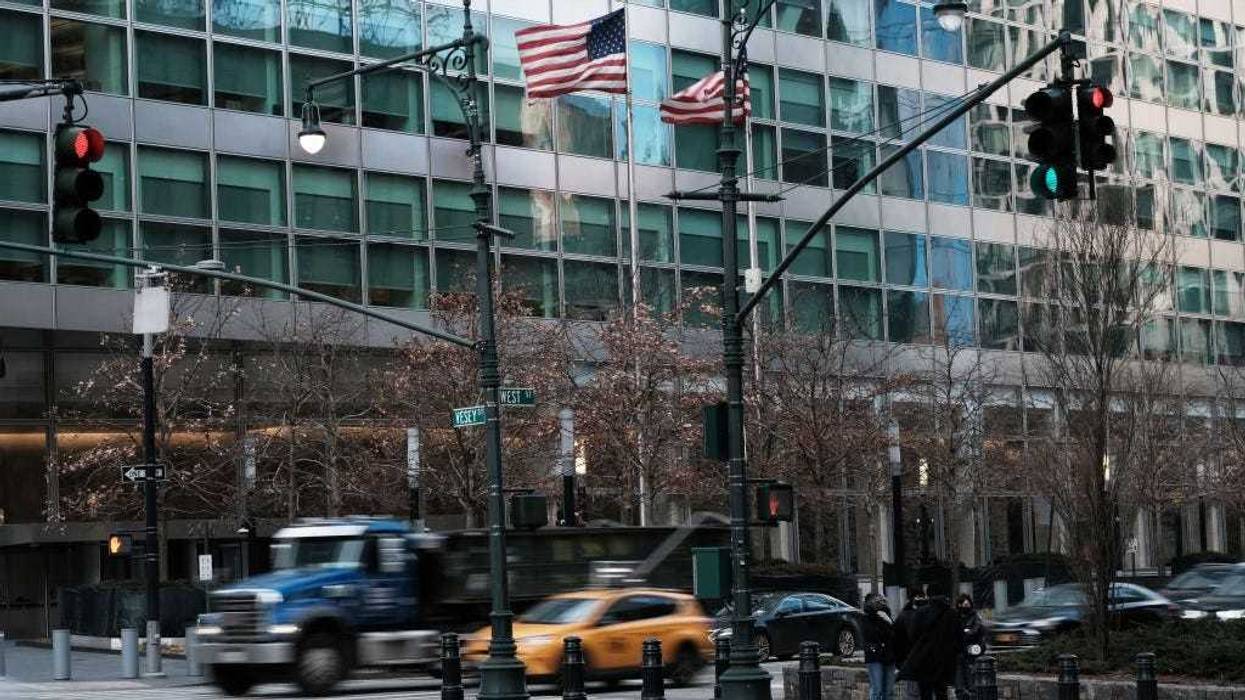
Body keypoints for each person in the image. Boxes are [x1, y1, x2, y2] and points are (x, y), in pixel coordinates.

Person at [893, 582, 961, 700]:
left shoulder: (921, 612)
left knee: (925, 693)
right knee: (942, 692)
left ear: (928, 595)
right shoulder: (952, 613)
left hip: (924, 659)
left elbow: (913, 635)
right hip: (944, 660)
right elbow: (958, 638)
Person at [862, 593, 896, 700]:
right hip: (874, 656)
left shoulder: (886, 615)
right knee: (877, 690)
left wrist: (887, 619)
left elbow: (893, 634)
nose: (880, 604)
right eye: (877, 602)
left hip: (889, 656)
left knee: (889, 691)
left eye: (882, 601)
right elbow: (870, 635)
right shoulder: (867, 617)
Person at [954, 594, 986, 700]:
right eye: (963, 604)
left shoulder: (975, 616)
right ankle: (961, 694)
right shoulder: (955, 616)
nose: (966, 606)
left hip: (972, 651)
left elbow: (977, 630)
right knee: (959, 678)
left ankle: (971, 694)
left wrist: (965, 633)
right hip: (959, 652)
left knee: (971, 675)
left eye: (967, 604)